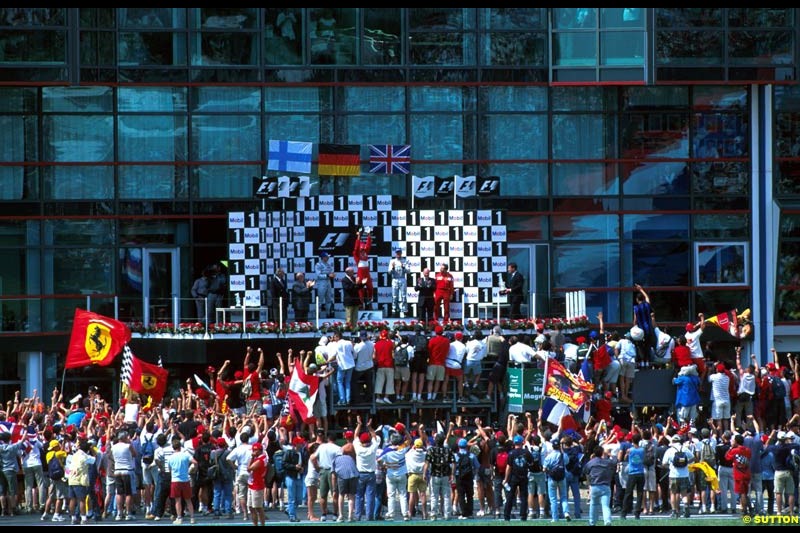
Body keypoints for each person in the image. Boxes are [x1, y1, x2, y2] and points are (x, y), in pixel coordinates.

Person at [632, 284, 655, 367]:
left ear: (637, 299)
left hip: (640, 330)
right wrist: (641, 289)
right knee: (648, 345)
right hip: (648, 329)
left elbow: (635, 320)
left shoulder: (636, 308)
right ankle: (647, 361)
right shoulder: (647, 305)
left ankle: (642, 361)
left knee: (641, 346)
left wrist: (634, 327)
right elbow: (647, 298)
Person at [354, 228, 374, 309]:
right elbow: (356, 246)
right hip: (360, 273)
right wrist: (358, 236)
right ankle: (361, 303)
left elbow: (368, 245)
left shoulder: (366, 252)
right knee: (360, 289)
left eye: (363, 249)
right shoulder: (356, 254)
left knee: (370, 288)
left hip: (367, 273)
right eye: (361, 249)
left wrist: (368, 234)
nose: (363, 250)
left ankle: (369, 302)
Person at [388, 247, 409, 318]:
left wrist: (403, 267)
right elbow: (389, 272)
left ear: (401, 253)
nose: (398, 254)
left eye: (399, 252)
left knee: (403, 296)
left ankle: (404, 310)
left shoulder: (405, 260)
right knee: (394, 296)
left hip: (402, 278)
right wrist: (393, 268)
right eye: (397, 253)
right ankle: (394, 310)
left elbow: (408, 271)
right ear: (395, 253)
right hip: (395, 279)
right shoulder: (392, 261)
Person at [314, 251, 335, 318]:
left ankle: (328, 314)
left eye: (328, 257)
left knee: (328, 299)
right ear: (323, 257)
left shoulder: (328, 264)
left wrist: (332, 275)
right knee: (320, 299)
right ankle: (318, 315)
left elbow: (331, 272)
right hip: (321, 283)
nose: (328, 258)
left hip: (328, 282)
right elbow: (318, 275)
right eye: (326, 257)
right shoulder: (318, 264)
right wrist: (328, 275)